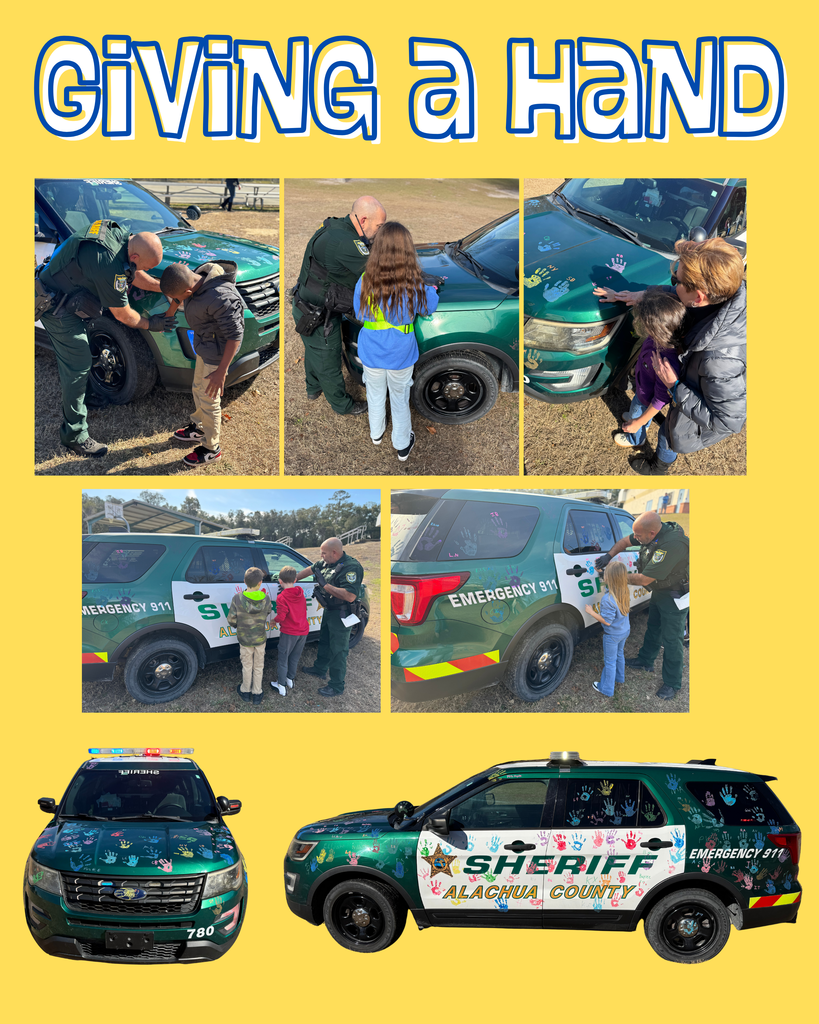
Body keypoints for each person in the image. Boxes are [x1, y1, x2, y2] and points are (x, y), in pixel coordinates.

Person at [593, 237, 746, 475]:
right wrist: (638, 295)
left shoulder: (721, 360)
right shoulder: (714, 296)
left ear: (699, 298)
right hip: (680, 386)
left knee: (668, 435)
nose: (674, 283)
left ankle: (659, 467)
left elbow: (728, 422)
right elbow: (675, 294)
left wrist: (675, 386)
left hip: (687, 404)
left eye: (680, 280)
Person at [36, 223, 172, 457]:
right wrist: (152, 324)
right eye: (144, 266)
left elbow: (135, 272)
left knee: (82, 354)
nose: (141, 270)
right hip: (56, 308)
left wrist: (162, 287)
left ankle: (85, 396)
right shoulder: (108, 264)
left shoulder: (119, 235)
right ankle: (74, 435)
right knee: (77, 364)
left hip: (72, 299)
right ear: (135, 254)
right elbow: (123, 314)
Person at [292, 195, 386, 415]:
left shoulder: (338, 227)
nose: (380, 231)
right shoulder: (347, 243)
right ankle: (343, 405)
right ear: (363, 220)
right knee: (328, 361)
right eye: (379, 226)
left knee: (314, 350)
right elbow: (378, 274)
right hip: (318, 315)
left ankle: (312, 388)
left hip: (308, 306)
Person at [353, 222, 439, 462]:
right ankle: (402, 445)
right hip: (400, 354)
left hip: (371, 351)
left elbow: (359, 312)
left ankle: (376, 434)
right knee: (399, 398)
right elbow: (429, 305)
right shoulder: (412, 283)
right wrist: (431, 288)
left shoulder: (364, 280)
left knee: (375, 393)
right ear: (407, 251)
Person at [160, 260, 245, 469]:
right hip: (204, 346)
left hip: (217, 355)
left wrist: (221, 372)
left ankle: (211, 448)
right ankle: (199, 427)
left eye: (177, 298)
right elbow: (181, 294)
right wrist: (174, 304)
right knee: (198, 389)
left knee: (210, 400)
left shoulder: (221, 297)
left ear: (188, 290)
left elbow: (235, 336)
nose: (176, 302)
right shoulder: (196, 277)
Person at [595, 511, 689, 700]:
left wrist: (612, 576)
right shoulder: (646, 533)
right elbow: (624, 542)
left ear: (652, 533)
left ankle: (672, 682)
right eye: (635, 535)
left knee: (672, 639)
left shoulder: (671, 545)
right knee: (653, 626)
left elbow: (644, 578)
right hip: (661, 589)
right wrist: (608, 555)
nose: (636, 539)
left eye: (638, 536)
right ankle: (645, 660)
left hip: (676, 595)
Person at [613, 287, 685, 456]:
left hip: (646, 396)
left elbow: (661, 399)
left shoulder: (666, 363)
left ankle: (636, 440)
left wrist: (638, 421)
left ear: (657, 330)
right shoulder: (661, 339)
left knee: (638, 409)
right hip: (642, 387)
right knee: (636, 408)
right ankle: (637, 418)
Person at [295, 537, 364, 698]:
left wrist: (325, 585)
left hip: (342, 613)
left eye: (324, 553)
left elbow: (350, 596)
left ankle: (336, 685)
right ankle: (319, 669)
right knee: (324, 640)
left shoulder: (351, 567)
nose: (321, 556)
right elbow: (310, 569)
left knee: (338, 650)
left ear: (334, 552)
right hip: (329, 609)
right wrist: (293, 579)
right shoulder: (327, 562)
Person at [226, 566, 273, 706]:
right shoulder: (266, 599)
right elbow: (268, 612)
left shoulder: (237, 598)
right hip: (260, 639)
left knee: (247, 666)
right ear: (260, 583)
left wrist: (239, 626)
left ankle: (245, 691)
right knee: (259, 666)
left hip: (244, 639)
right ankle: (257, 693)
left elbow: (231, 620)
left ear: (244, 581)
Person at [585, 560, 631, 698]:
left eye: (606, 574)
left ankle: (606, 688)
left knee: (610, 661)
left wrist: (592, 612)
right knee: (619, 654)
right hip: (624, 631)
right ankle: (619, 677)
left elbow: (607, 622)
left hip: (612, 635)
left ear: (609, 578)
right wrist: (601, 572)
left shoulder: (607, 599)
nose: (604, 575)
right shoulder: (623, 591)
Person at [269, 566, 309, 696]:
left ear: (280, 581)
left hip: (289, 632)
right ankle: (290, 679)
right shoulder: (300, 592)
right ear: (295, 580)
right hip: (303, 630)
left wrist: (274, 620)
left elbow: (282, 616)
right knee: (295, 657)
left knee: (283, 657)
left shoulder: (282, 597)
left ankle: (281, 685)